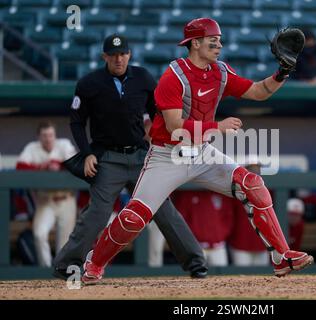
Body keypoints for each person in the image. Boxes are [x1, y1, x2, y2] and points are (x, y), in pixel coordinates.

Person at [81, 18, 314, 284]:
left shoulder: (221, 71)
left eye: (220, 40)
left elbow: (258, 92)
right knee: (134, 218)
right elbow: (174, 126)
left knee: (252, 183)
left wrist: (281, 73)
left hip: (202, 152)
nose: (219, 45)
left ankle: (281, 256)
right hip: (167, 155)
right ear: (195, 43)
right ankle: (95, 262)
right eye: (213, 40)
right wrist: (218, 126)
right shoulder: (173, 76)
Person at [53, 34, 208, 279]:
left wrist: (154, 138)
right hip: (107, 159)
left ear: (129, 54)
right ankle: (67, 264)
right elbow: (76, 122)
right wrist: (87, 154)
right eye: (113, 55)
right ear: (104, 56)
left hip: (140, 157)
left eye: (123, 54)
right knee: (98, 213)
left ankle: (196, 263)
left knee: (163, 209)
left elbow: (160, 113)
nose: (118, 59)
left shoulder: (144, 78)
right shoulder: (89, 83)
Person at [16, 121, 77, 267]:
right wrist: (43, 167)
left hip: (66, 199)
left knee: (64, 242)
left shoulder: (64, 144)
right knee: (39, 234)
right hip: (45, 201)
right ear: (39, 137)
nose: (48, 138)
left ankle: (59, 272)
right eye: (44, 135)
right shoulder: (32, 148)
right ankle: (46, 270)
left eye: (50, 135)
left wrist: (58, 164)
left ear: (55, 136)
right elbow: (20, 167)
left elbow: (75, 163)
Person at [174, 190, 234, 266]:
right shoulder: (187, 195)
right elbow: (180, 221)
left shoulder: (220, 194)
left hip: (218, 247)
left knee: (222, 275)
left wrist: (220, 235)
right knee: (196, 275)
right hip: (196, 247)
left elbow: (228, 217)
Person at [228, 157, 269, 266]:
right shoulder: (235, 191)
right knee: (240, 279)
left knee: (263, 279)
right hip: (240, 244)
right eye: (251, 168)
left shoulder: (268, 191)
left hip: (262, 244)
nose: (255, 171)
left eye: (257, 168)